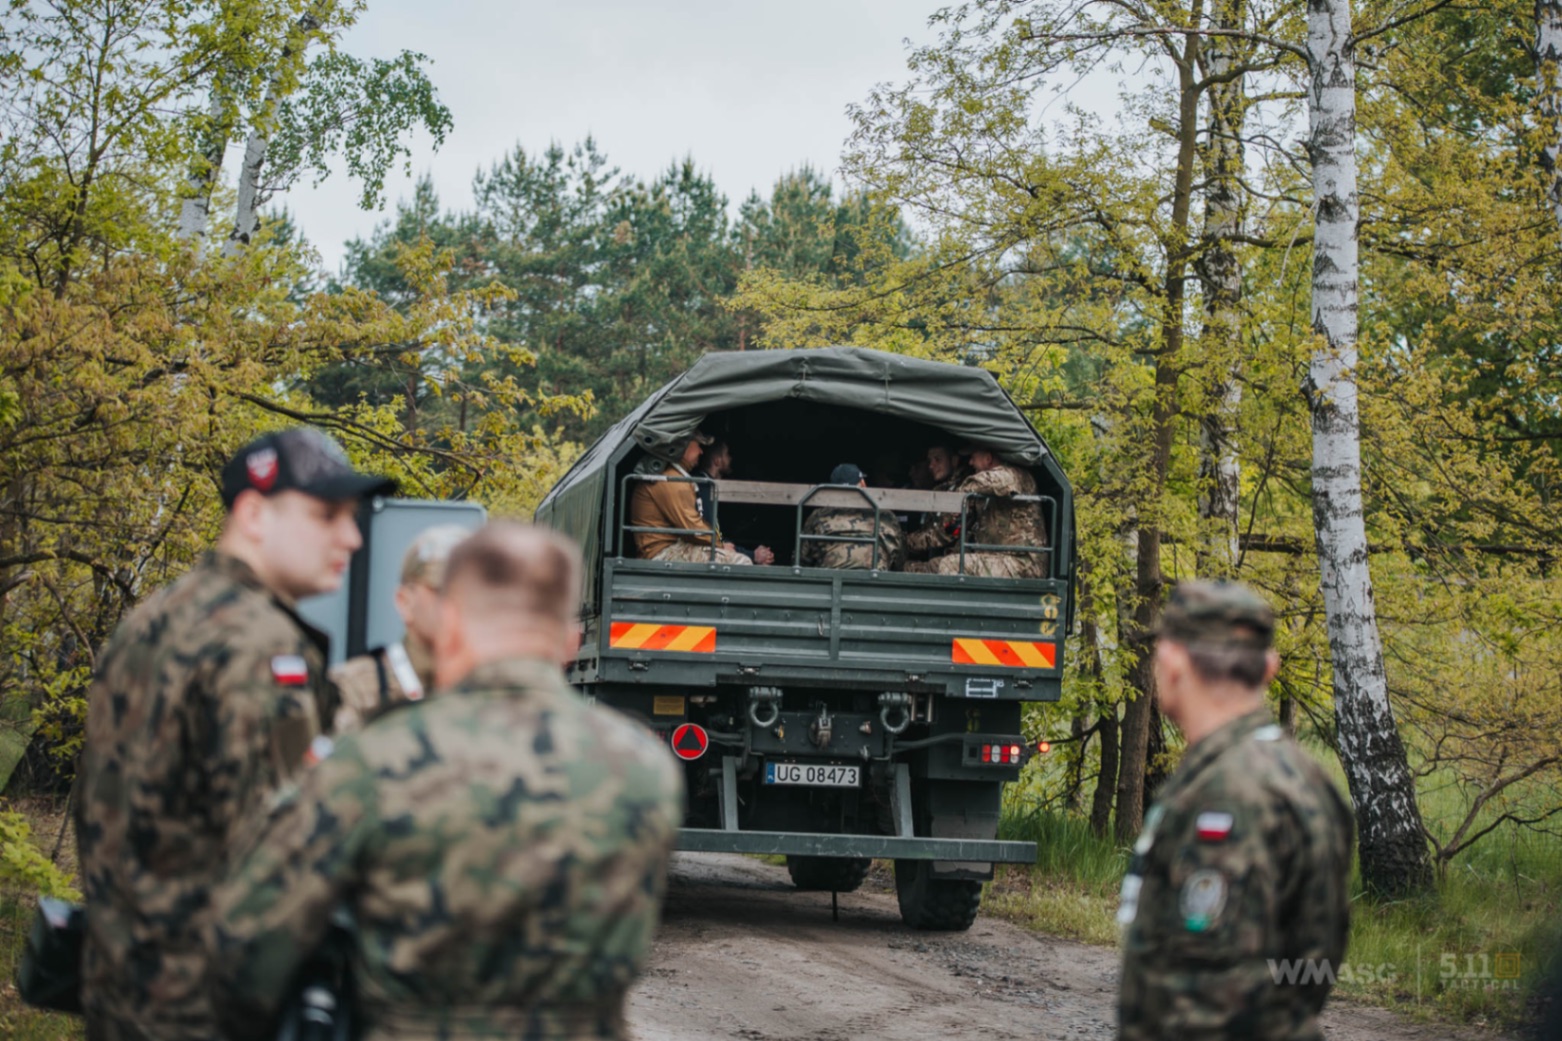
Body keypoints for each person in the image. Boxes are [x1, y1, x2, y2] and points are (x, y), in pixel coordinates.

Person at [206, 522, 686, 1041]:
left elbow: (246, 951)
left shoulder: (377, 758)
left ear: (450, 622)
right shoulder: (643, 767)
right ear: (570, 637)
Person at [74, 426, 394, 1041]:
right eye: (327, 515)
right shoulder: (258, 644)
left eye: (352, 517)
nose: (351, 538)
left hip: (125, 993)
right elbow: (281, 858)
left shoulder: (159, 615)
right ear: (253, 514)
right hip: (211, 1010)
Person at [1117, 581, 1354, 1041]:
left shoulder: (1224, 795)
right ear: (1269, 668)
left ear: (1172, 664)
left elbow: (1206, 1003)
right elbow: (1313, 966)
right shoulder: (1307, 777)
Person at [330, 523, 470, 732]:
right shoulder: (352, 690)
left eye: (473, 593)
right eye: (443, 592)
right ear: (404, 602)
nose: (460, 604)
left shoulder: (497, 688)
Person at [627, 430, 770, 566]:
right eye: (698, 446)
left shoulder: (674, 477)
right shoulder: (671, 480)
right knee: (741, 562)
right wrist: (721, 545)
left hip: (671, 547)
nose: (701, 452)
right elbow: (692, 528)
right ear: (684, 445)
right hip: (662, 553)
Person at [904, 444, 1048, 578]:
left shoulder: (1015, 476)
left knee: (951, 565)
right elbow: (954, 529)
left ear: (988, 458)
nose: (970, 463)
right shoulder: (982, 496)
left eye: (973, 457)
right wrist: (908, 544)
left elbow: (990, 480)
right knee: (935, 565)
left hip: (1023, 564)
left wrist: (958, 495)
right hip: (995, 559)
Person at [800, 463, 905, 570]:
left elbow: (802, 560)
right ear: (863, 483)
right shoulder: (886, 516)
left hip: (830, 581)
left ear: (832, 488)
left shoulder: (819, 516)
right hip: (876, 581)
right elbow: (899, 561)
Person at [692, 439, 774, 565]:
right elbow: (712, 534)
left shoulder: (712, 485)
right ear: (717, 460)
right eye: (727, 454)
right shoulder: (704, 486)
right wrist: (752, 555)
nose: (730, 459)